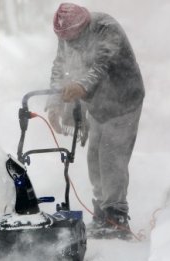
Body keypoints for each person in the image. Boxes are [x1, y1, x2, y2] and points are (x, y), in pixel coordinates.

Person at [46, 3, 145, 239]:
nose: (68, 43)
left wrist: (80, 86)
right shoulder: (66, 32)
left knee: (112, 157)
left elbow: (101, 66)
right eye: (64, 39)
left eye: (72, 38)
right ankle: (102, 214)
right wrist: (54, 102)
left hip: (124, 100)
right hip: (98, 104)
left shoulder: (106, 29)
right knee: (95, 159)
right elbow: (59, 66)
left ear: (82, 27)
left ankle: (117, 217)